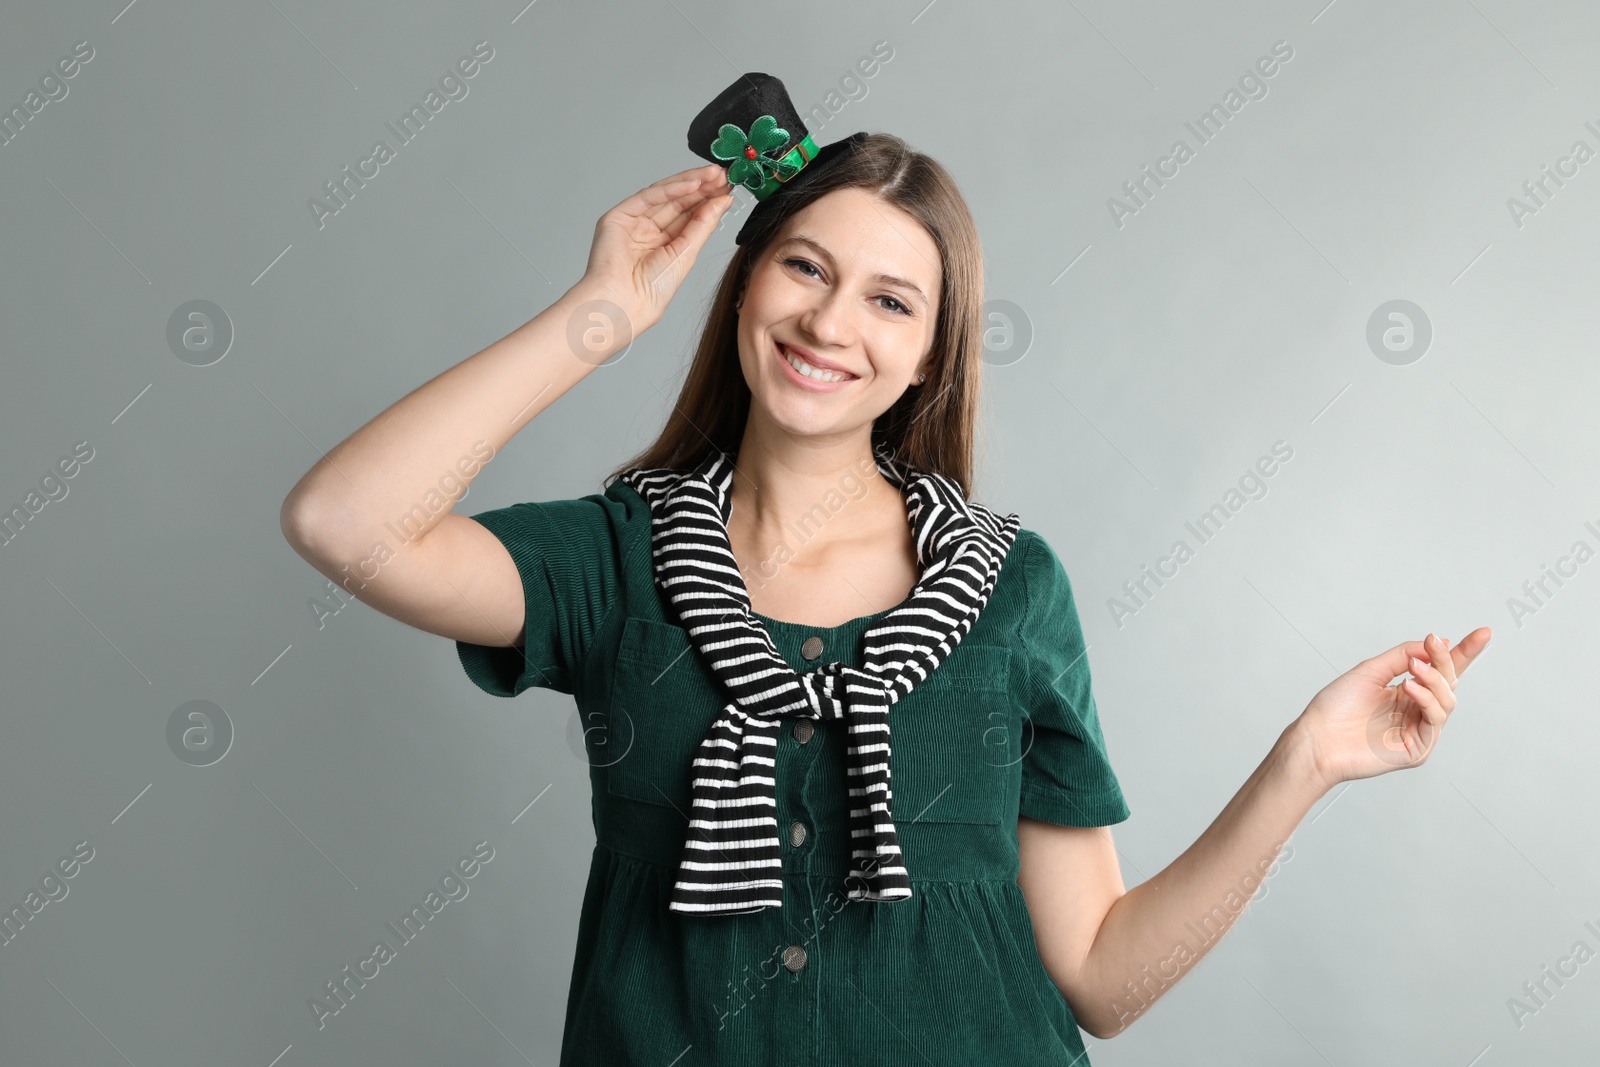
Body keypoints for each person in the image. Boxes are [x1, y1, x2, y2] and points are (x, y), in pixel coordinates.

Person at [280, 76, 1491, 1065]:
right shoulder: (613, 558)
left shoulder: (1012, 590)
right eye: (804, 267)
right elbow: (345, 521)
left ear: (926, 358)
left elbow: (1105, 982)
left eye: (890, 299)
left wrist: (1308, 762)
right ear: (746, 282)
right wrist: (601, 312)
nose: (830, 323)